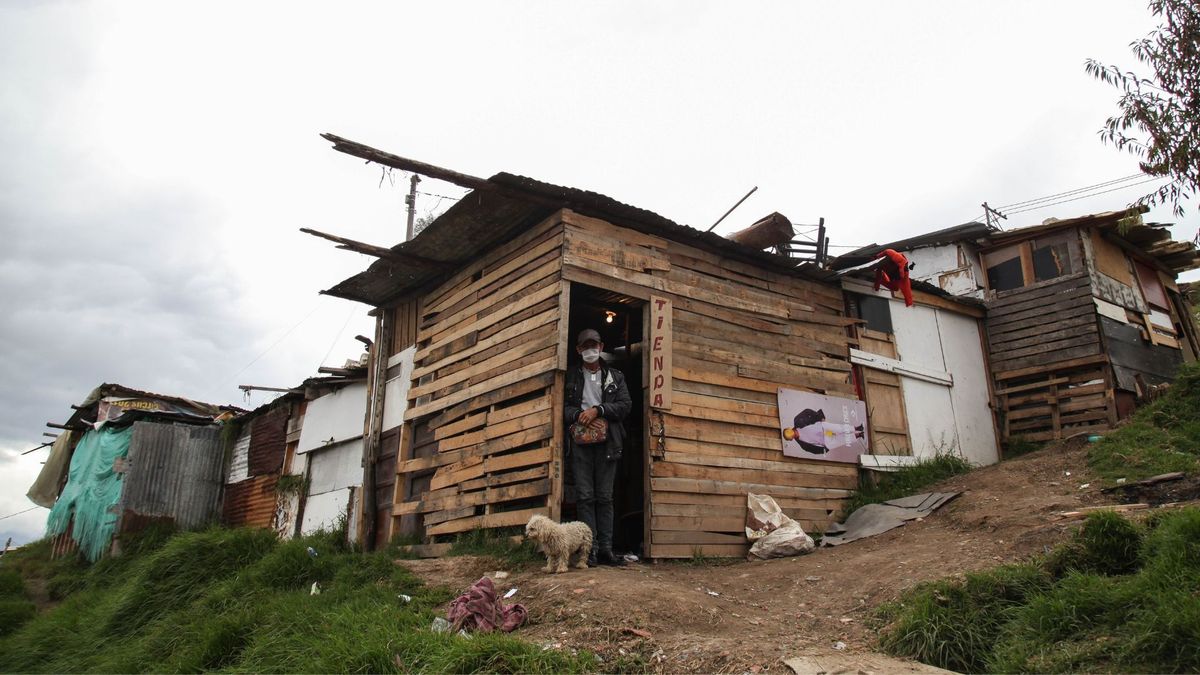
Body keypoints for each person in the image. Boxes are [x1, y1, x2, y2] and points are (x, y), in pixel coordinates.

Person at [564, 328, 632, 566]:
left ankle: (606, 550)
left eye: (594, 345)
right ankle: (588, 552)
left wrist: (599, 410)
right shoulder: (570, 377)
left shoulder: (615, 376)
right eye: (585, 346)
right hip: (581, 445)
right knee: (584, 497)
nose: (590, 350)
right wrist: (577, 415)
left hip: (608, 443)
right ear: (578, 350)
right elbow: (560, 408)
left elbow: (625, 405)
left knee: (604, 497)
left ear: (602, 347)